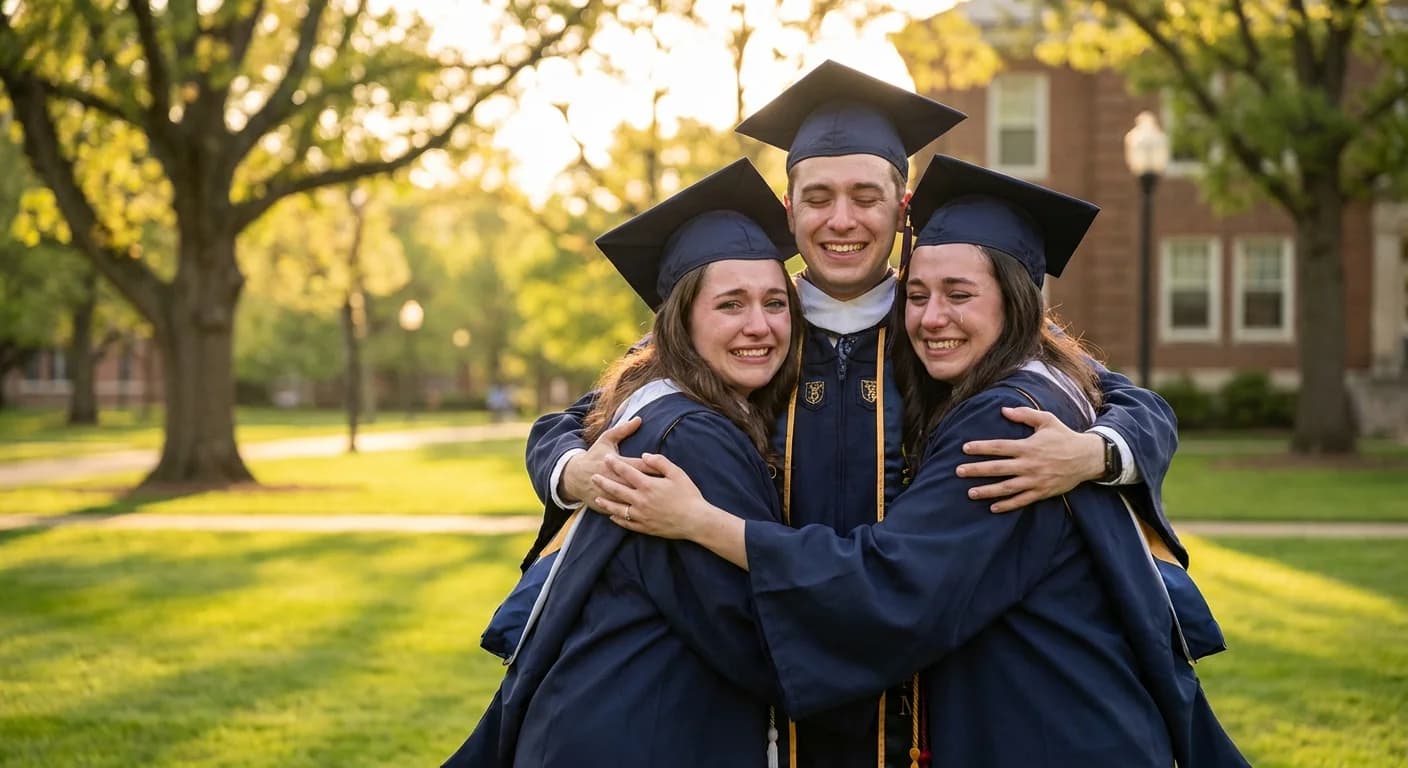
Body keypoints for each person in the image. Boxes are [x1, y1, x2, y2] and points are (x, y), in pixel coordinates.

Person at [524, 60, 1181, 768]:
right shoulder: (748, 327)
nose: (842, 220)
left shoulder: (946, 324)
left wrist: (1098, 451)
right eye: (819, 197)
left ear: (903, 210)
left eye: (866, 196)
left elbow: (1127, 400)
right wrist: (574, 472)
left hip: (923, 677)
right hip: (770, 684)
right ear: (789, 210)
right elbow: (587, 414)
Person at [441, 158, 802, 768]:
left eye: (775, 302)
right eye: (731, 305)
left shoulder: (665, 400)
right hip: (636, 734)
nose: (760, 326)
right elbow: (744, 633)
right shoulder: (691, 435)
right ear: (682, 320)